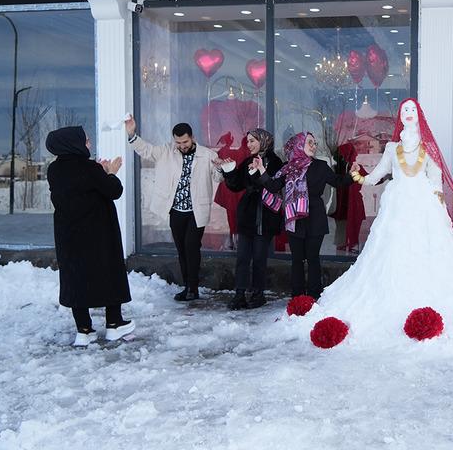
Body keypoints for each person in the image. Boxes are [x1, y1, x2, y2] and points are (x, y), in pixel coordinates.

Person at [291, 99, 453, 342]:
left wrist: (437, 199)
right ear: (400, 117)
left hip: (424, 206)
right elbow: (379, 173)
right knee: (393, 249)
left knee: (430, 249)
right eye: (405, 111)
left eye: (413, 110)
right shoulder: (392, 148)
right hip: (398, 204)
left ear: (418, 115)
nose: (409, 113)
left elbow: (435, 176)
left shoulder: (427, 146)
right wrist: (358, 176)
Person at [46, 126, 134, 346]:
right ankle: (114, 323)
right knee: (108, 273)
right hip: (98, 234)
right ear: (73, 143)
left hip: (69, 235)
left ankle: (84, 330)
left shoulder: (54, 171)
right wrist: (110, 172)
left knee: (76, 277)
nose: (89, 143)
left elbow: (78, 191)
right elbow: (114, 191)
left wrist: (99, 173)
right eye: (85, 140)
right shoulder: (89, 168)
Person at [125, 116, 222, 301]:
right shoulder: (166, 151)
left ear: (192, 137)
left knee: (191, 248)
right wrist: (132, 134)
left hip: (196, 211)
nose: (182, 145)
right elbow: (147, 151)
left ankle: (193, 289)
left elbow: (218, 178)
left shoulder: (207, 154)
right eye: (178, 142)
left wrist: (220, 168)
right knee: (181, 250)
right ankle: (187, 286)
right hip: (175, 211)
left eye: (185, 141)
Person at [253, 132, 353, 299]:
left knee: (313, 259)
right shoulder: (288, 167)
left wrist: (353, 174)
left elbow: (338, 182)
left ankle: (314, 296)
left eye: (314, 143)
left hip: (315, 218)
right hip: (295, 219)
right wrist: (261, 169)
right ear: (298, 145)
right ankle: (297, 297)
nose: (314, 146)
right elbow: (272, 186)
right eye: (309, 143)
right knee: (297, 260)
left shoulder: (321, 166)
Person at [220, 129, 283, 310]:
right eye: (248, 141)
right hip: (247, 214)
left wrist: (257, 171)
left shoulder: (275, 162)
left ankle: (258, 293)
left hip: (265, 215)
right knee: (242, 257)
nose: (249, 145)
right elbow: (236, 185)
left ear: (264, 141)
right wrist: (229, 171)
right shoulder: (248, 160)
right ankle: (239, 294)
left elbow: (270, 185)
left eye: (253, 141)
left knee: (259, 258)